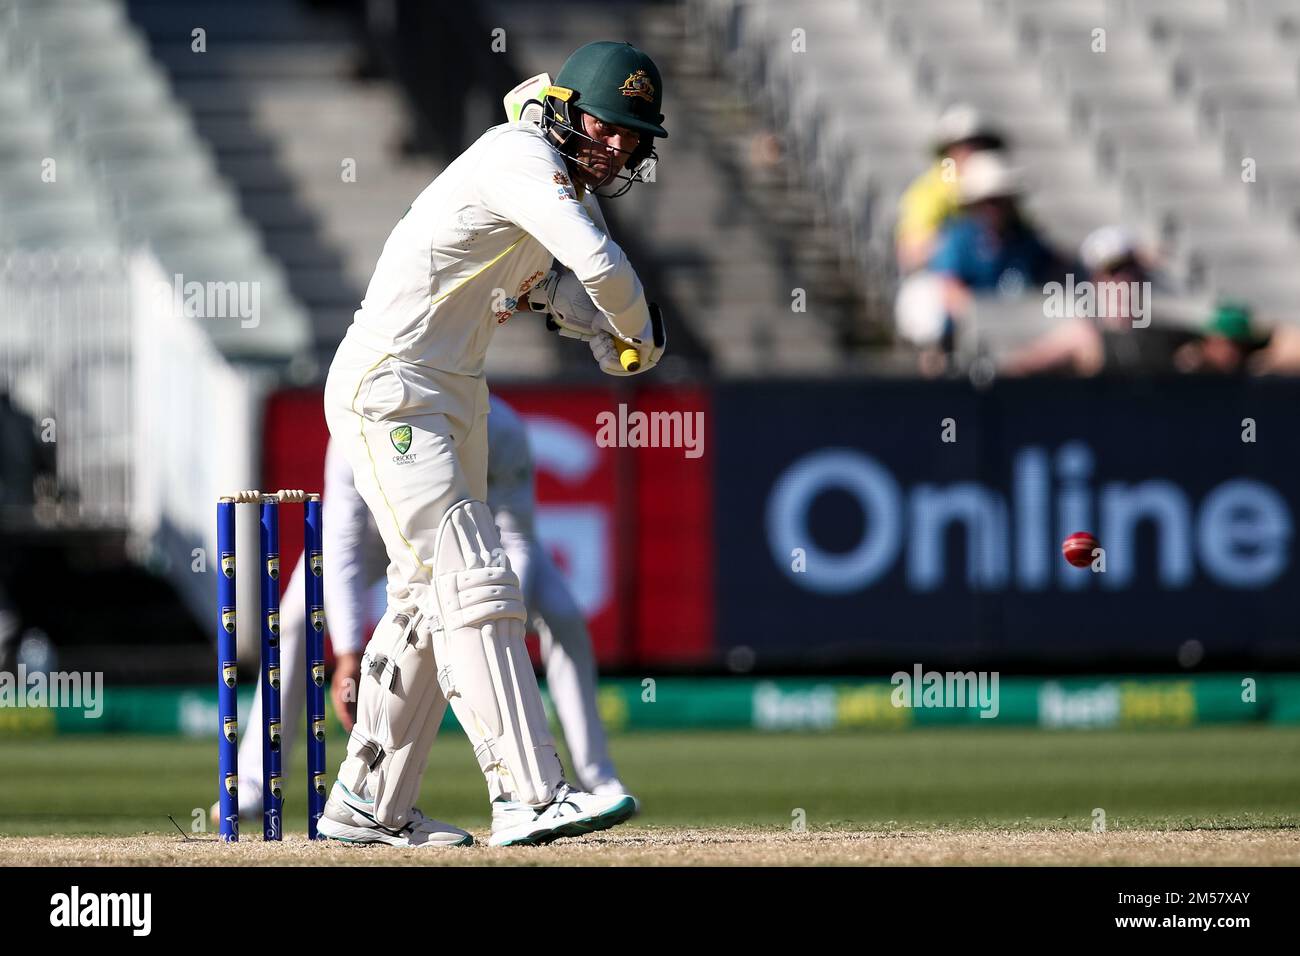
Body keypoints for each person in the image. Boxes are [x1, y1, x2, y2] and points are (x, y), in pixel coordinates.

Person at [316, 40, 667, 848]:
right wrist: (641, 336)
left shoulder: (552, 188)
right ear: (567, 109)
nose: (618, 144)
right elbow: (599, 265)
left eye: (633, 135)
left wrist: (599, 331)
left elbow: (546, 288)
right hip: (391, 385)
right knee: (472, 572)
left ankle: (367, 805)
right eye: (607, 124)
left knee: (421, 596)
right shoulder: (519, 156)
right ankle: (529, 796)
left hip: (454, 393)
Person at [215, 398, 631, 828]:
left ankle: (598, 777)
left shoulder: (501, 428)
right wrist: (348, 655)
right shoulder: (361, 421)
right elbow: (342, 545)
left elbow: (516, 541)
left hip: (476, 546)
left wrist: (496, 623)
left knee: (564, 616)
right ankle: (254, 781)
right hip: (383, 539)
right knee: (298, 617)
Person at [1001, 225, 1197, 377]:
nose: (1125, 280)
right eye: (1114, 271)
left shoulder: (1161, 338)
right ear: (1095, 280)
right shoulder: (1082, 336)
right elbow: (1016, 370)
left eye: (1133, 270)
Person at [894, 104, 1007, 274]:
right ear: (948, 152)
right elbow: (910, 254)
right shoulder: (928, 193)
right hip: (941, 281)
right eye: (968, 146)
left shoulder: (1000, 193)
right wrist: (963, 240)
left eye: (983, 145)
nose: (976, 153)